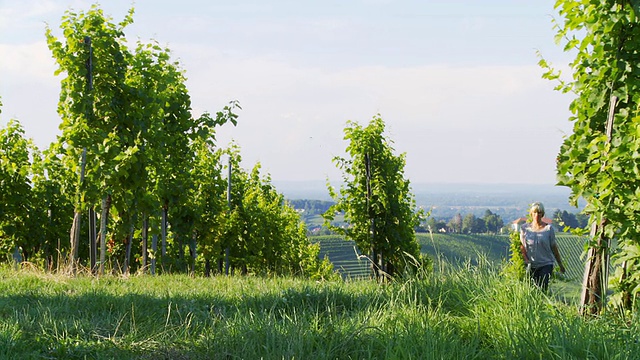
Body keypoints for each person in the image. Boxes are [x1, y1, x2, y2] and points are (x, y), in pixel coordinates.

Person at [520, 202, 565, 292]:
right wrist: (526, 260)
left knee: (542, 289)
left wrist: (560, 264)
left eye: (539, 213)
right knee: (532, 290)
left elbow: (554, 247)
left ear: (542, 214)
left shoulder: (548, 229)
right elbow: (523, 247)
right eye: (535, 212)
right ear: (531, 214)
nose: (537, 215)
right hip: (532, 265)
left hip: (546, 264)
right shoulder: (524, 228)